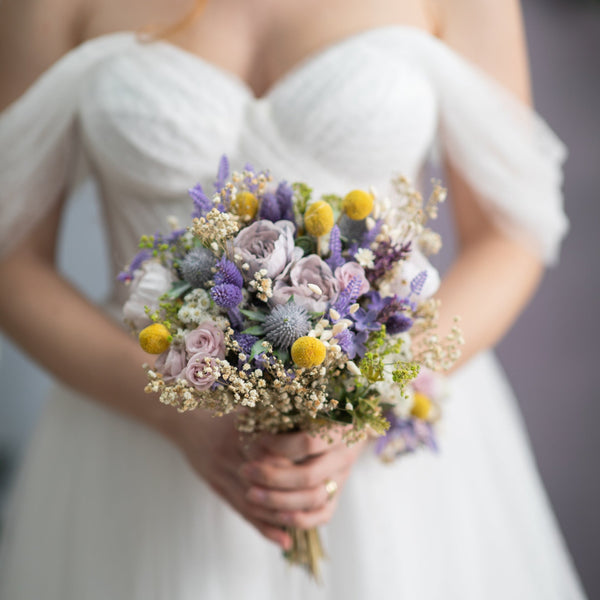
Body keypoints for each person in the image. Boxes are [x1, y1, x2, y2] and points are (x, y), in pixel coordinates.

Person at [0, 0, 587, 598]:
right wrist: (179, 415)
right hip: (136, 436)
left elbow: (510, 233)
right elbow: (9, 259)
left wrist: (373, 398)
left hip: (396, 467)